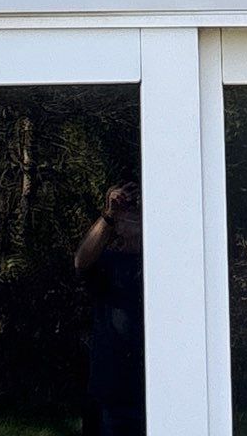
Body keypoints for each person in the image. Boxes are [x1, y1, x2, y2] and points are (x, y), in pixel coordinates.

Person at [75, 182, 145, 436]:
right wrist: (109, 215)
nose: (132, 212)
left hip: (153, 391)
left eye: (138, 205)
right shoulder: (108, 262)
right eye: (127, 206)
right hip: (110, 392)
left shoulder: (165, 264)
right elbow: (81, 262)